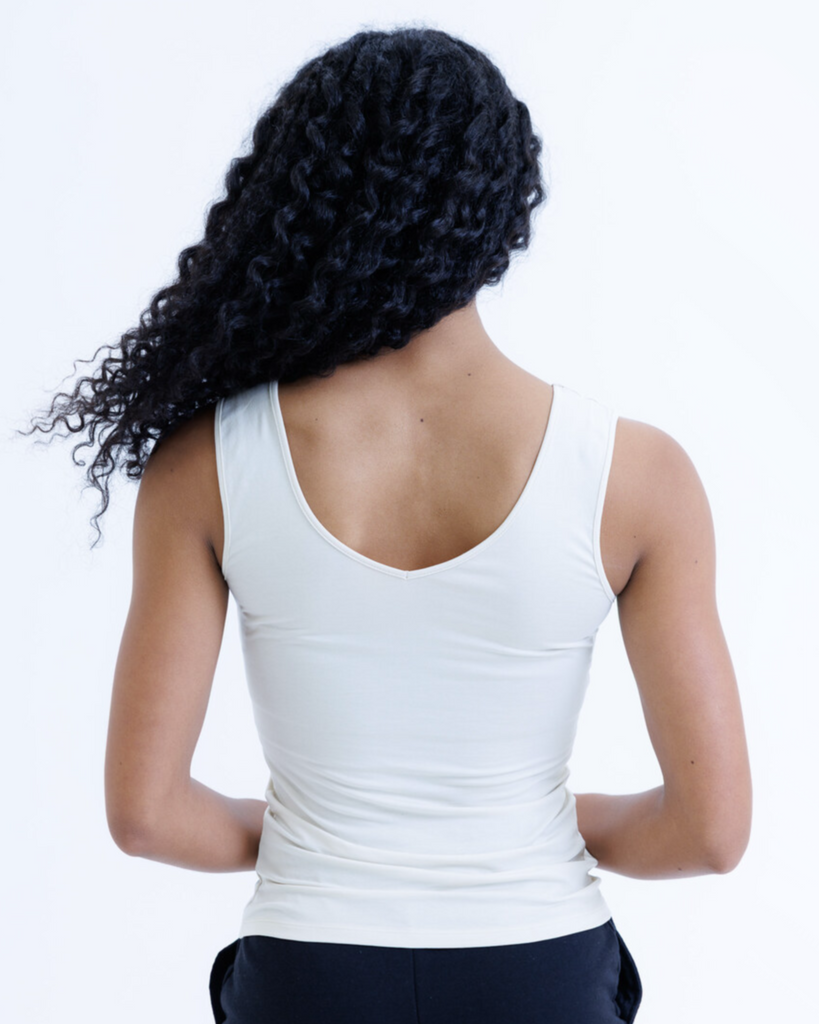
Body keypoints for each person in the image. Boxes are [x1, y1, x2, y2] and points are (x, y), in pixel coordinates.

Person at [19, 25, 752, 1024]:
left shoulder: (206, 467)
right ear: (504, 210)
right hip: (535, 968)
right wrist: (520, 825)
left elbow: (145, 815)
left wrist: (326, 835)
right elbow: (711, 833)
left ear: (300, 203)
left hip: (311, 972)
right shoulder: (637, 473)